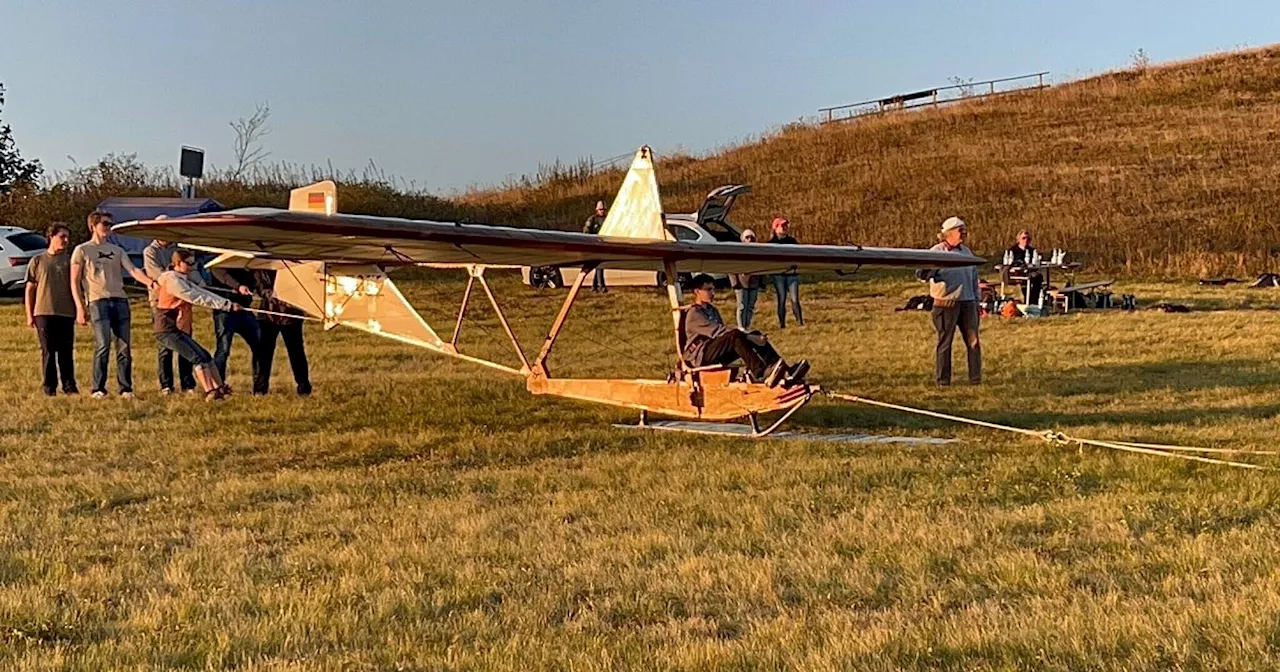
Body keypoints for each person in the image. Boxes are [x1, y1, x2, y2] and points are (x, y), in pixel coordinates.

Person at [71, 210, 158, 399]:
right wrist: (80, 306)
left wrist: (150, 282)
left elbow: (133, 269)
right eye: (105, 224)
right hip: (97, 301)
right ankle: (98, 388)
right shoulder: (82, 250)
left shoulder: (117, 250)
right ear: (93, 226)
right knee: (103, 344)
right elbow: (74, 280)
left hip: (120, 300)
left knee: (124, 346)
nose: (109, 228)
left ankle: (126, 388)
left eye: (110, 224)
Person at [682, 274, 809, 387]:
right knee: (736, 335)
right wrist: (747, 337)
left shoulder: (712, 310)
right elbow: (718, 331)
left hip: (715, 350)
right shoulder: (694, 313)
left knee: (755, 334)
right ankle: (761, 372)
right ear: (697, 291)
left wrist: (750, 337)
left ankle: (784, 370)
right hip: (700, 355)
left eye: (713, 289)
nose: (712, 292)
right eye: (708, 289)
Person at [154, 249, 238, 401]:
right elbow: (195, 296)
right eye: (189, 263)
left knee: (205, 356)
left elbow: (201, 291)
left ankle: (220, 388)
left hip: (177, 327)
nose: (192, 266)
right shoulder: (173, 281)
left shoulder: (182, 278)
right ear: (178, 263)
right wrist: (226, 305)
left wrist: (227, 303)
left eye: (194, 263)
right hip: (166, 329)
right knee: (197, 358)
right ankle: (210, 392)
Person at [917, 216, 982, 386]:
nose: (964, 234)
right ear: (949, 233)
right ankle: (943, 380)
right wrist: (932, 272)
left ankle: (975, 379)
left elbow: (974, 277)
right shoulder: (936, 252)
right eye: (960, 230)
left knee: (973, 342)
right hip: (946, 304)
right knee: (945, 342)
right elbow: (921, 274)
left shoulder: (966, 252)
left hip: (968, 303)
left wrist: (977, 300)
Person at [24, 223, 78, 396]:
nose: (65, 240)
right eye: (62, 236)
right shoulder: (38, 261)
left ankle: (69, 387)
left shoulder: (70, 261)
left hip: (66, 312)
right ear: (51, 237)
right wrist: (29, 314)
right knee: (48, 351)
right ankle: (49, 388)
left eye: (67, 237)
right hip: (43, 312)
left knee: (66, 352)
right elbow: (30, 289)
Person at [143, 236, 197, 394]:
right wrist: (179, 282)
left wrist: (198, 285)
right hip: (161, 301)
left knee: (186, 341)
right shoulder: (150, 252)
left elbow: (191, 270)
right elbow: (158, 275)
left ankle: (187, 383)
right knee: (166, 343)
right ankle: (166, 384)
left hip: (182, 300)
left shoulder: (179, 249)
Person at [251, 269, 312, 396]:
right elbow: (261, 287)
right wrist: (277, 296)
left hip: (291, 317)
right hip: (269, 316)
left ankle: (304, 387)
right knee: (264, 354)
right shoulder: (261, 267)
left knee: (296, 352)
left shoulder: (293, 268)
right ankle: (260, 389)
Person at [208, 267, 267, 394]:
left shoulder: (246, 262)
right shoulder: (219, 261)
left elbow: (254, 277)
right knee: (223, 349)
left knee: (260, 347)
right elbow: (219, 273)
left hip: (244, 309)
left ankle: (260, 389)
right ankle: (218, 388)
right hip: (225, 311)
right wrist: (238, 286)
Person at [768, 217, 804, 328]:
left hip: (792, 274)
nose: (784, 228)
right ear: (775, 228)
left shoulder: (792, 242)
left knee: (795, 299)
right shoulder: (771, 244)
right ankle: (782, 324)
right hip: (778, 275)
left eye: (785, 226)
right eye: (782, 226)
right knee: (781, 299)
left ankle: (800, 322)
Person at [730, 229, 764, 329]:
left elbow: (761, 269)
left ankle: (747, 326)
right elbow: (731, 269)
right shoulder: (737, 252)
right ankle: (741, 327)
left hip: (754, 284)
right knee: (742, 306)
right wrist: (735, 284)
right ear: (742, 239)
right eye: (747, 237)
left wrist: (761, 283)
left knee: (750, 307)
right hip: (741, 284)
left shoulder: (758, 253)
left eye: (752, 237)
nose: (749, 240)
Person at [1001, 229, 1043, 304]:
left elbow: (1036, 263)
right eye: (1023, 238)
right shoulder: (1012, 250)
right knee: (1027, 280)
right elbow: (1008, 264)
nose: (1026, 240)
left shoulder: (1032, 250)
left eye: (1028, 239)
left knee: (1038, 277)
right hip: (1017, 273)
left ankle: (1035, 300)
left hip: (1030, 271)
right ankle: (1028, 300)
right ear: (1019, 239)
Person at [583, 200, 608, 293]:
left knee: (599, 266)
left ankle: (594, 287)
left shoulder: (607, 219)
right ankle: (601, 286)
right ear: (597, 210)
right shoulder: (592, 219)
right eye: (600, 209)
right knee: (599, 266)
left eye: (603, 209)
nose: (602, 211)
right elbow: (586, 232)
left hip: (603, 245)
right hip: (594, 245)